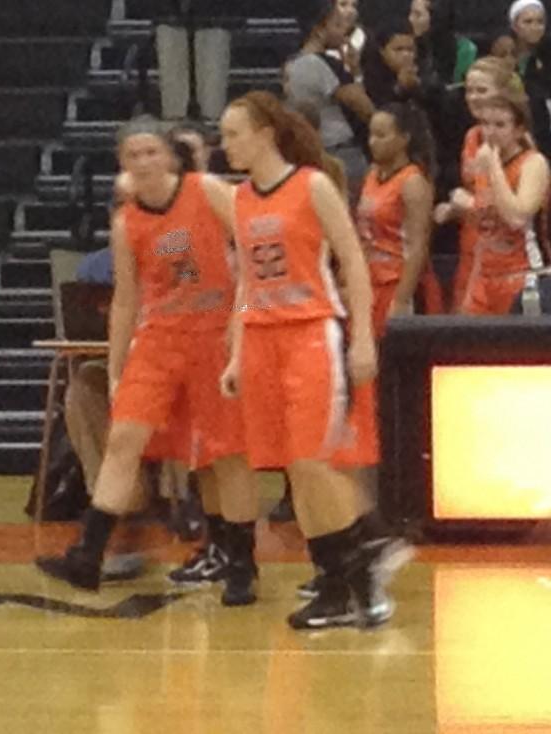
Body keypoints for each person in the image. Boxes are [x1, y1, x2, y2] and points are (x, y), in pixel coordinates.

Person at [37, 116, 260, 607]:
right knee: (124, 438)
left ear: (170, 156)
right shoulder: (128, 222)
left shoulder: (208, 191)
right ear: (122, 166)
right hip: (158, 340)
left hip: (213, 336)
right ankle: (87, 554)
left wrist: (240, 325)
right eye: (132, 156)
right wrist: (117, 367)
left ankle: (242, 564)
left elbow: (251, 260)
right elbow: (125, 301)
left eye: (150, 153)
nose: (142, 163)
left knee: (225, 454)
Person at [220, 90, 409, 630]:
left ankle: (369, 540)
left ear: (265, 133)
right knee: (291, 469)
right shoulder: (238, 199)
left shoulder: (312, 184)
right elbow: (246, 283)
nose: (225, 144)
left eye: (233, 133)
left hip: (310, 332)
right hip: (260, 337)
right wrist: (235, 353)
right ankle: (340, 581)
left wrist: (363, 339)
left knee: (311, 460)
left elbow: (353, 260)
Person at [436, 56, 522, 311]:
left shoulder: (519, 143)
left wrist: (469, 205)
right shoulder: (472, 136)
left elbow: (519, 213)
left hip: (508, 256)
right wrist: (453, 208)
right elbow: (474, 189)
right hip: (474, 245)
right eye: (469, 90)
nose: (473, 97)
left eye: (482, 90)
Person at [452, 91, 551, 315]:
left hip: (524, 276)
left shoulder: (532, 163)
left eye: (500, 125)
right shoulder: (482, 164)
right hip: (484, 274)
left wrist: (494, 168)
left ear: (518, 129)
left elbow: (517, 217)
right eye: (485, 124)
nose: (490, 132)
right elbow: (485, 223)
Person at [357, 104, 436, 336]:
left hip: (398, 282)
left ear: (404, 139)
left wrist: (401, 300)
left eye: (381, 135)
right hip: (371, 282)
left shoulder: (412, 182)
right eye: (371, 134)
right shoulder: (371, 174)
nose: (373, 142)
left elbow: (417, 247)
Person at [286, 0, 374, 203]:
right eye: (336, 25)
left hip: (310, 150)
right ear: (319, 30)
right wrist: (356, 73)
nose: (344, 32)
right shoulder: (327, 64)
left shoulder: (290, 65)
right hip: (341, 152)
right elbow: (365, 109)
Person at [510, 0, 551, 155]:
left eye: (540, 22)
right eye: (528, 21)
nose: (535, 27)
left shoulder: (546, 59)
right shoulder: (505, 57)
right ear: (515, 25)